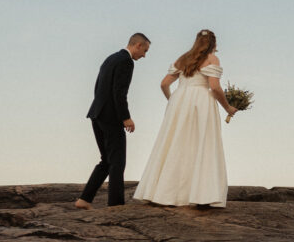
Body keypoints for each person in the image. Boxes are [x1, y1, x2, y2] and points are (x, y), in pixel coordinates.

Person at [133, 29, 238, 207]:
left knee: (174, 143)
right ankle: (200, 195)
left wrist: (173, 100)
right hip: (201, 102)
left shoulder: (182, 58)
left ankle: (163, 193)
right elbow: (215, 87)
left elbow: (164, 83)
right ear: (214, 44)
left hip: (180, 100)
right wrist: (228, 107)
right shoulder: (212, 59)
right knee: (201, 144)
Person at [75, 33, 150, 209]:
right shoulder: (126, 61)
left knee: (106, 160)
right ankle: (116, 205)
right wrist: (125, 117)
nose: (144, 55)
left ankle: (84, 199)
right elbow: (119, 92)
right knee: (117, 161)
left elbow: (98, 87)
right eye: (145, 50)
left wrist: (99, 110)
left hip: (96, 113)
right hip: (111, 117)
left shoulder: (110, 58)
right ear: (137, 45)